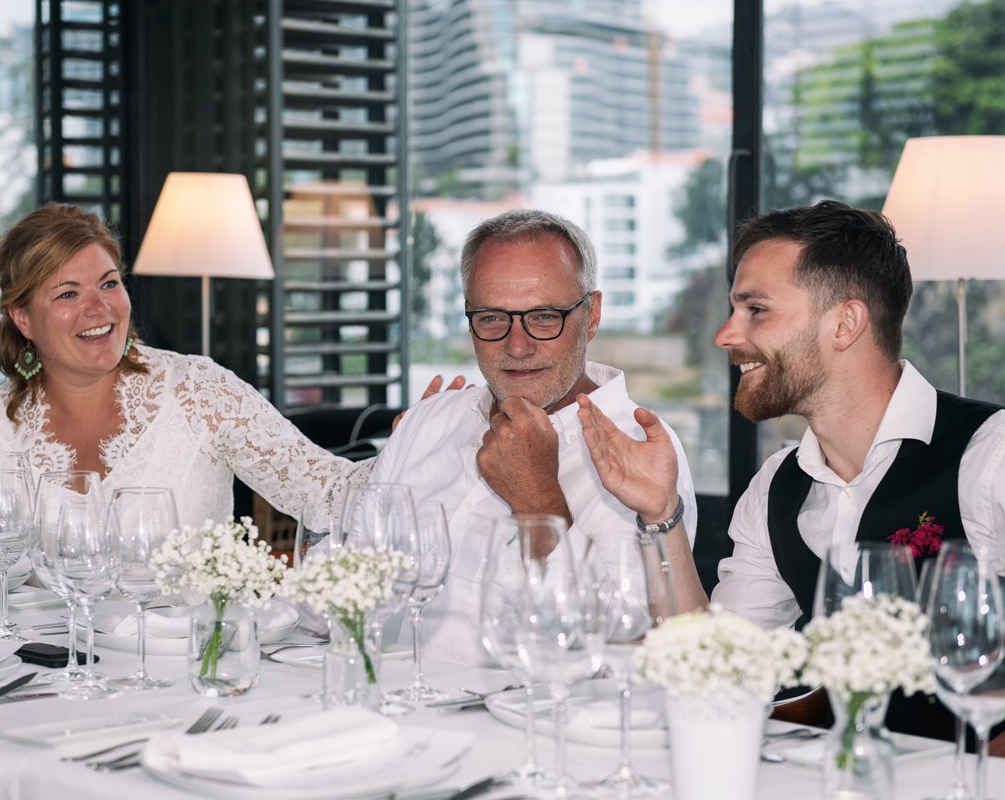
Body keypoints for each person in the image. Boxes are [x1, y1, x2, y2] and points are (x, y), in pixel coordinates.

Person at [578, 199, 1005, 739]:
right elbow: (718, 671)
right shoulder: (777, 485)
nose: (725, 335)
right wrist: (662, 514)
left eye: (756, 309)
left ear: (845, 323)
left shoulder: (990, 456)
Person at [368, 208, 699, 667]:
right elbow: (339, 579)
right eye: (491, 319)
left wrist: (539, 501)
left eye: (544, 317)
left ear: (593, 314)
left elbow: (627, 658)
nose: (517, 346)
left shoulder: (638, 453)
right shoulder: (427, 423)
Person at [0, 203, 373, 529]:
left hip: (193, 649)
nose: (100, 307)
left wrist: (423, 434)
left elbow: (331, 496)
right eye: (68, 294)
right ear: (23, 319)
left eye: (109, 283)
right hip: (41, 652)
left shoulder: (199, 391)